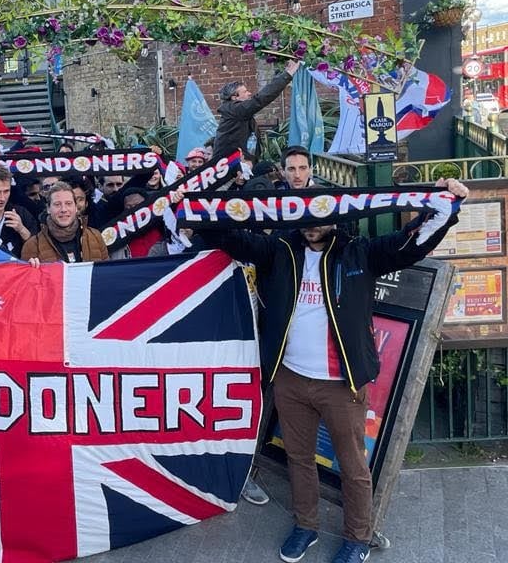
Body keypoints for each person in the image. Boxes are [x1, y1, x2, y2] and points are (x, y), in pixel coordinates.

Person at [200, 177, 469, 563]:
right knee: (299, 458)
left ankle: (358, 537)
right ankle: (305, 526)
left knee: (354, 466)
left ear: (336, 212)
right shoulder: (279, 250)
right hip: (291, 378)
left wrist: (447, 204)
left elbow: (413, 243)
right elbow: (229, 236)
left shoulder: (358, 253)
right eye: (304, 211)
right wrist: (192, 206)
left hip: (341, 384)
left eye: (320, 211)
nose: (312, 220)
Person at [212, 59, 299, 160]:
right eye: (245, 92)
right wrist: (287, 75)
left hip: (239, 162)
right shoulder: (235, 109)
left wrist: (282, 73)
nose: (249, 93)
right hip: (230, 165)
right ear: (234, 97)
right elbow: (261, 99)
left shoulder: (236, 111)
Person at [21, 181, 109, 263]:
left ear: (75, 207)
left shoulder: (96, 236)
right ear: (48, 208)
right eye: (57, 204)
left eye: (68, 203)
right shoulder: (32, 246)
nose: (63, 209)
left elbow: (107, 275)